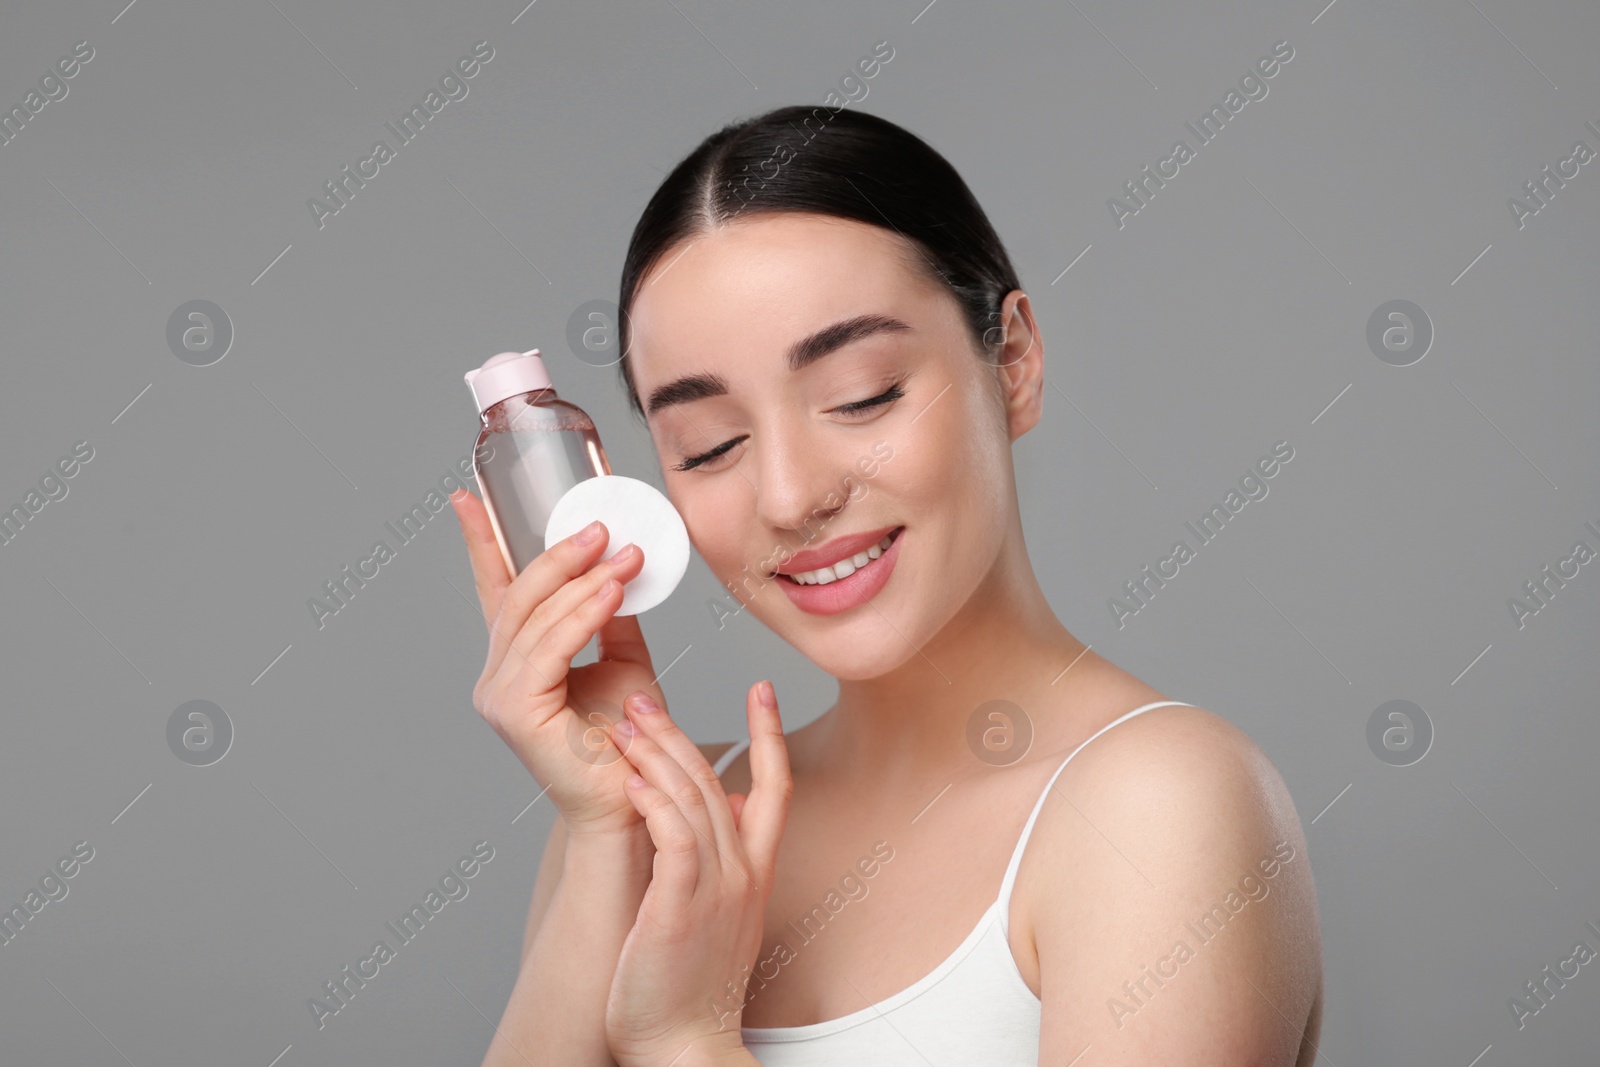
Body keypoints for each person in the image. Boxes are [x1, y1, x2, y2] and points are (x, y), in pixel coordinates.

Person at [451, 104, 1324, 1067]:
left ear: (1015, 361)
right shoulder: (647, 830)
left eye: (861, 395)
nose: (791, 495)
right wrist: (607, 826)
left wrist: (684, 1040)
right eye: (711, 445)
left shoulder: (1161, 803)